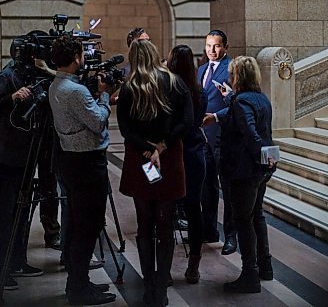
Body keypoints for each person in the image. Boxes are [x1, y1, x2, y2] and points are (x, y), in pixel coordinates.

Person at [117, 39, 193, 307]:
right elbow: (187, 120)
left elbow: (125, 127)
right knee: (166, 223)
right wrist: (163, 145)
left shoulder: (129, 87)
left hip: (142, 160)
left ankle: (149, 283)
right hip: (169, 158)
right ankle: (161, 287)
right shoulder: (174, 82)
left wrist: (148, 150)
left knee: (144, 225)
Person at [48, 35, 116, 306]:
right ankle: (78, 289)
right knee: (88, 226)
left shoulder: (57, 84)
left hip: (71, 160)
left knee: (78, 224)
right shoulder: (75, 91)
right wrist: (104, 95)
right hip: (87, 163)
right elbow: (99, 122)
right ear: (76, 57)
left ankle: (78, 283)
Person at [204, 56, 275, 293]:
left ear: (237, 77)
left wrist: (259, 155)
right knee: (257, 216)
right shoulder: (261, 98)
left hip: (244, 170)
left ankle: (250, 276)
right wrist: (266, 163)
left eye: (232, 74)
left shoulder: (241, 101)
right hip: (260, 170)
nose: (230, 78)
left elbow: (250, 133)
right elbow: (246, 117)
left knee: (243, 221)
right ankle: (265, 267)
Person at [0, 61, 43, 292]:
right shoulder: (6, 76)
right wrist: (12, 98)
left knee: (22, 212)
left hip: (23, 157)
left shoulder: (29, 76)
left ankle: (17, 261)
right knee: (6, 217)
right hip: (6, 158)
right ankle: (2, 270)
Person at [167, 45, 207, 284]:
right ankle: (194, 264)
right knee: (194, 210)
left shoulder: (169, 89)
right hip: (194, 153)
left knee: (168, 209)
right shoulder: (199, 90)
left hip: (174, 152)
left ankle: (165, 266)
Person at [197, 30, 237, 253]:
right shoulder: (202, 69)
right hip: (203, 137)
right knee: (207, 186)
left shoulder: (232, 69)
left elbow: (236, 103)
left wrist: (216, 116)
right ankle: (209, 229)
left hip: (223, 136)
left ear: (226, 47)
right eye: (209, 45)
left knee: (228, 190)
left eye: (217, 46)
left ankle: (231, 236)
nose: (212, 50)